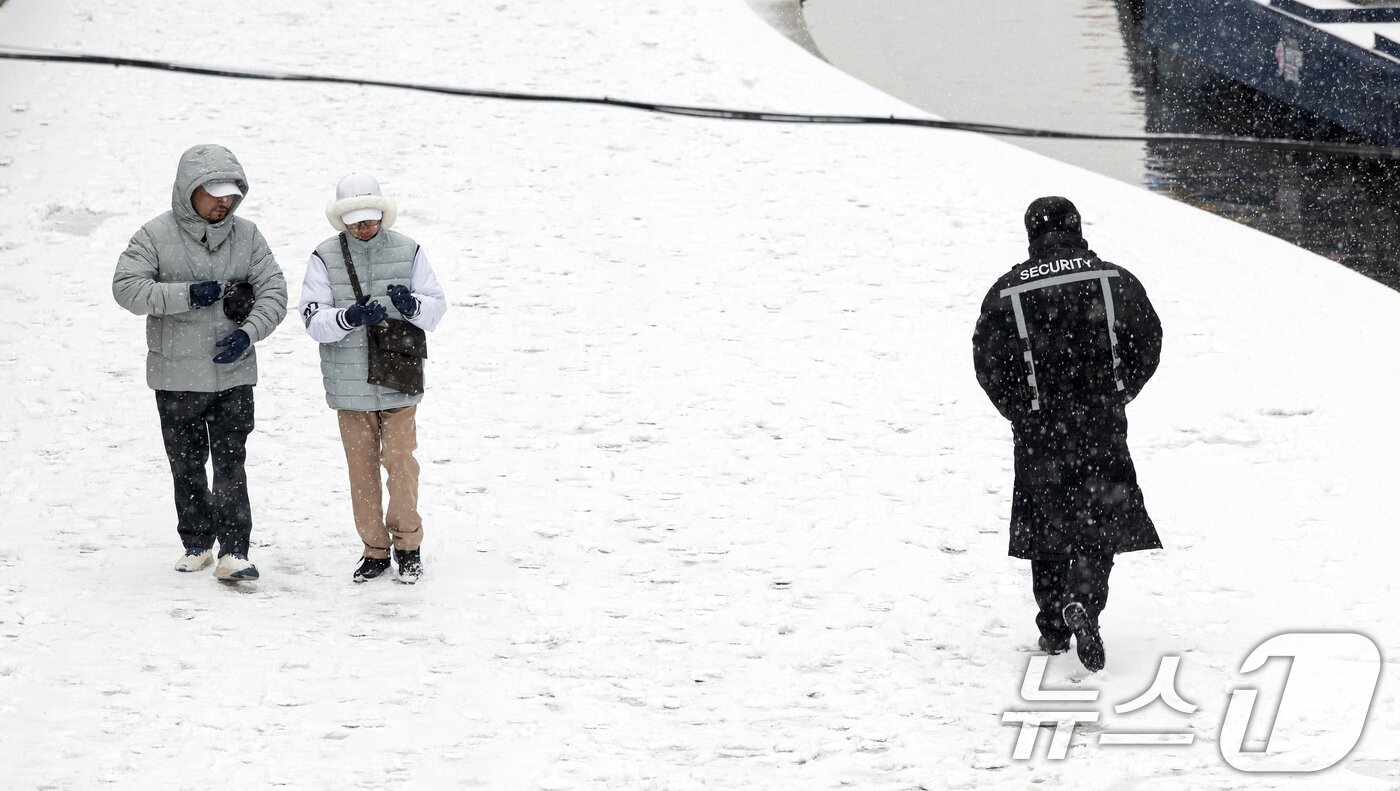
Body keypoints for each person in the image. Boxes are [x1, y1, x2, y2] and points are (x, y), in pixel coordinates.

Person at [971, 196, 1162, 672]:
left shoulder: (1009, 290)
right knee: (1100, 520)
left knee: (1046, 524)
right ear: (1077, 227)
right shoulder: (1114, 280)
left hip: (1040, 429)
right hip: (1100, 422)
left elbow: (988, 361)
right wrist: (1122, 390)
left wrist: (1020, 409)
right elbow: (1149, 337)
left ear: (1032, 233)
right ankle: (1085, 602)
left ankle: (1053, 627)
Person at [113, 143, 288, 582]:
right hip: (176, 376)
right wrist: (186, 294)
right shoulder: (154, 235)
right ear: (188, 190)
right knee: (186, 463)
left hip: (234, 375)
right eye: (213, 193)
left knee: (232, 462)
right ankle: (196, 543)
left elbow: (276, 292)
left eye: (230, 193)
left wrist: (248, 333)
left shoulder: (248, 236)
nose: (223, 202)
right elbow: (126, 289)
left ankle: (234, 551)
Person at [298, 172, 447, 584]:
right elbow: (312, 318)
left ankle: (408, 545)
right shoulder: (324, 256)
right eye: (356, 222)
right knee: (360, 470)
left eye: (370, 220)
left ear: (383, 214)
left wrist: (410, 304)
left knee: (401, 464)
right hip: (349, 385)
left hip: (398, 377)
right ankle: (375, 549)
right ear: (341, 221)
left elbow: (436, 309)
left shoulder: (410, 250)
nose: (364, 228)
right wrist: (348, 317)